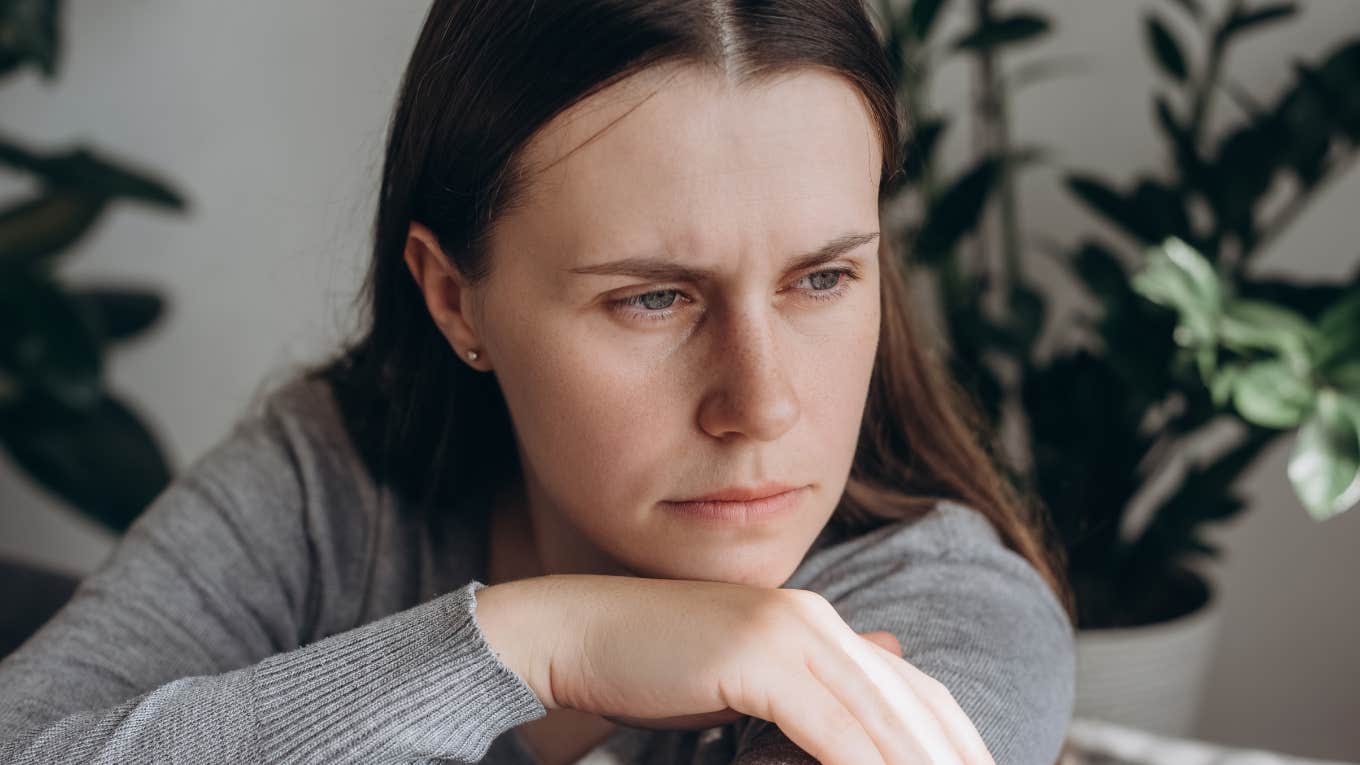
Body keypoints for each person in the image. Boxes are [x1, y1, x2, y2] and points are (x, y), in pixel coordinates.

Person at [0, 1, 1077, 763]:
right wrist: (533, 646)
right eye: (653, 298)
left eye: (824, 276)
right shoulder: (331, 483)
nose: (762, 403)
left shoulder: (945, 620)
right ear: (455, 297)